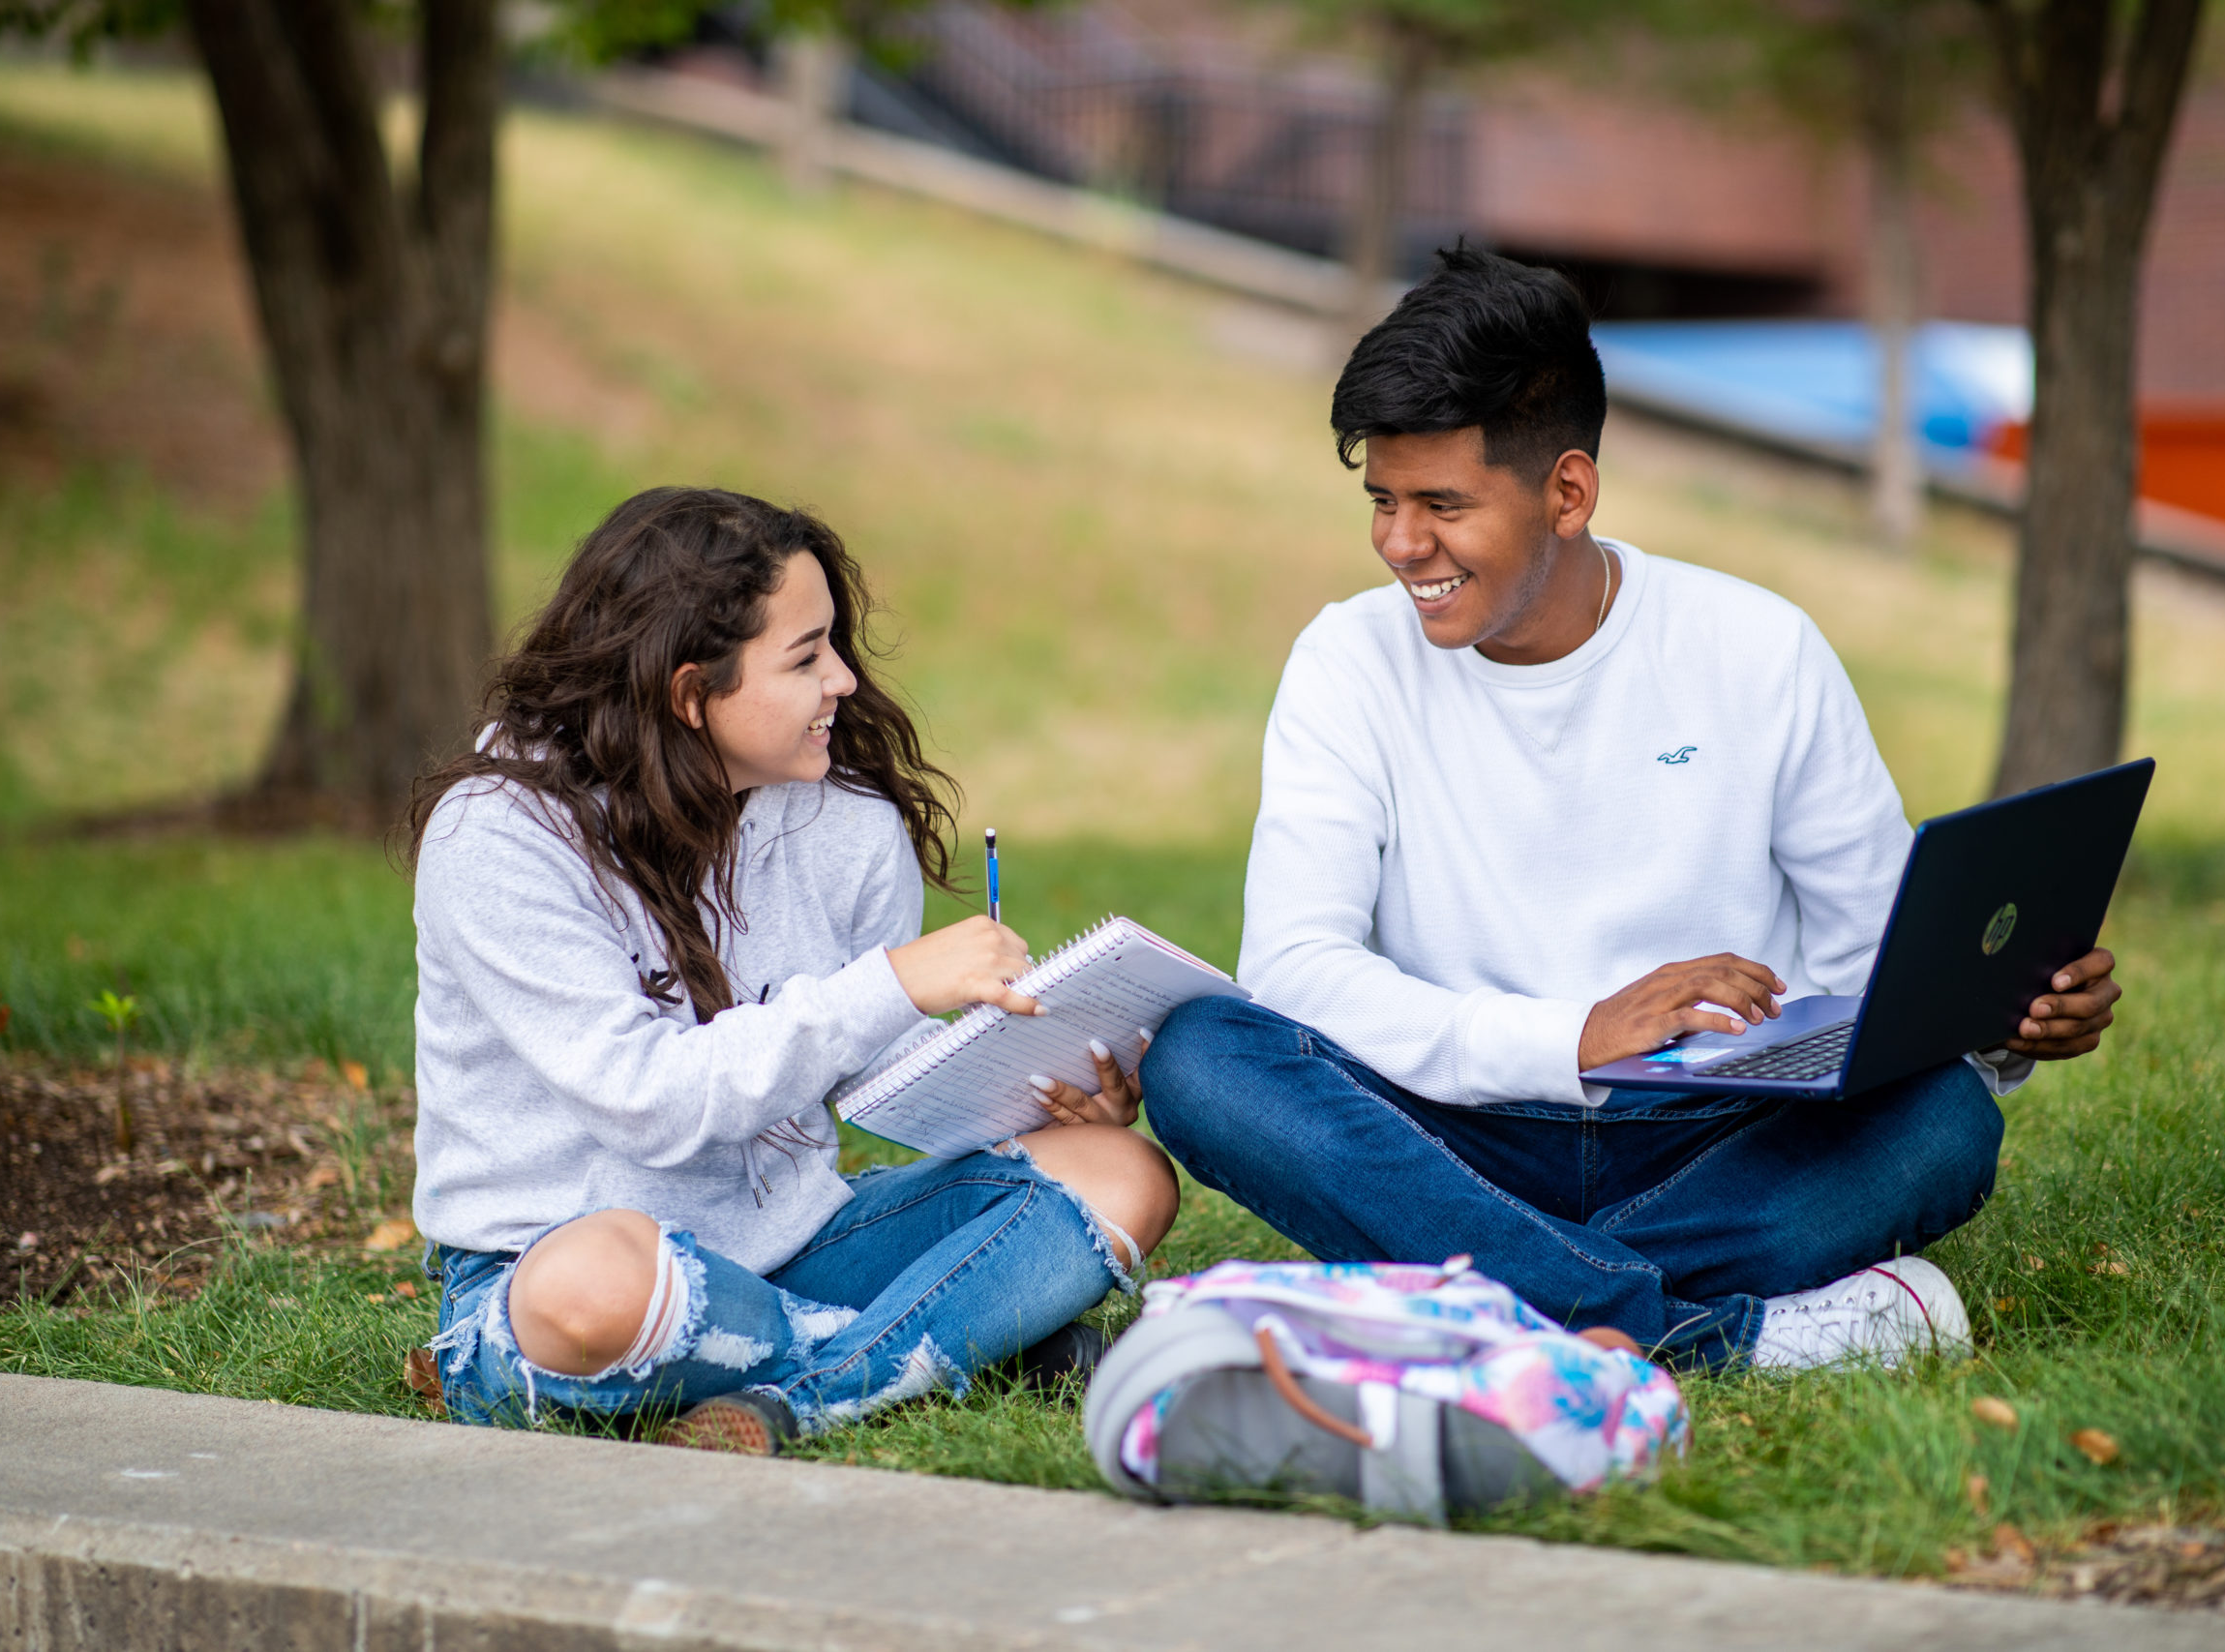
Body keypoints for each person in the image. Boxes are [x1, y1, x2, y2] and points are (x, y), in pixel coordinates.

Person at [1138, 249, 2122, 1370]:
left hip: (1715, 1135)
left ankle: (1473, 1296)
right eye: (1382, 501)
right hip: (1451, 1126)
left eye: (1441, 505)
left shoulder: (1756, 648)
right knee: (1201, 1057)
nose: (1400, 545)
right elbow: (1296, 969)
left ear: (1567, 491)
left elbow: (1879, 975)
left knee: (1944, 1117)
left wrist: (2000, 1023)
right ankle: (1706, 1336)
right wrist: (1575, 1034)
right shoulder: (1346, 660)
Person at [409, 487, 1174, 1452]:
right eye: (806, 657)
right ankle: (946, 1340)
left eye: (835, 647)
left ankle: (810, 1387)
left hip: (801, 1248)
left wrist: (1040, 1091)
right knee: (594, 1283)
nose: (845, 681)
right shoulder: (501, 836)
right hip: (568, 1268)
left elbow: (867, 1073)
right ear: (690, 691)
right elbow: (644, 1098)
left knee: (1121, 1174)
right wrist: (891, 982)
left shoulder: (846, 826)